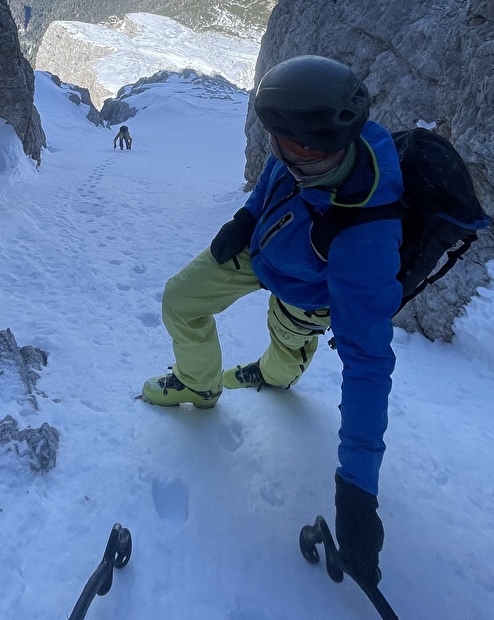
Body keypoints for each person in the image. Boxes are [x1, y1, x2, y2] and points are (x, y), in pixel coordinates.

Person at [141, 55, 402, 587]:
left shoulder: (365, 241)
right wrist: (246, 218)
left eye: (282, 141)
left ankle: (276, 372)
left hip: (308, 294)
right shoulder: (315, 148)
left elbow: (369, 364)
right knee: (181, 299)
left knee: (281, 367)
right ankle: (199, 384)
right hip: (262, 250)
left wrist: (358, 491)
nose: (274, 148)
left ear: (310, 147)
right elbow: (277, 174)